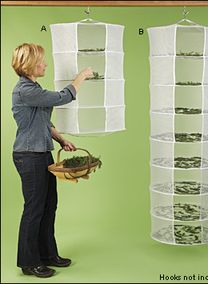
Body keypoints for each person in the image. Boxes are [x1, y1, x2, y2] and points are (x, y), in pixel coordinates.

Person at [11, 43, 93, 278]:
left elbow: (43, 122)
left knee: (49, 206)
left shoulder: (33, 88)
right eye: (42, 60)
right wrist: (81, 77)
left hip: (41, 152)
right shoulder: (24, 90)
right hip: (28, 156)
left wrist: (60, 140)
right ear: (29, 64)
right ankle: (29, 262)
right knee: (34, 209)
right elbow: (62, 97)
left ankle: (47, 255)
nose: (45, 64)